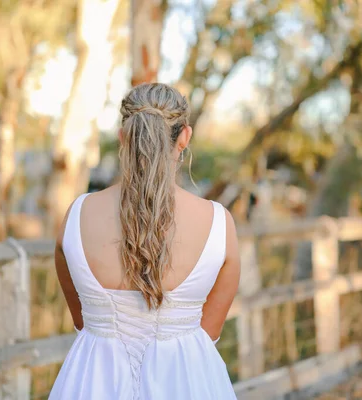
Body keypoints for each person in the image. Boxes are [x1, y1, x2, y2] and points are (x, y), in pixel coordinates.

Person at [50, 83, 240, 399]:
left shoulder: (78, 215)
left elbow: (82, 321)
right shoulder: (219, 223)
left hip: (93, 383)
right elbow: (210, 333)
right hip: (187, 382)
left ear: (123, 136)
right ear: (184, 137)